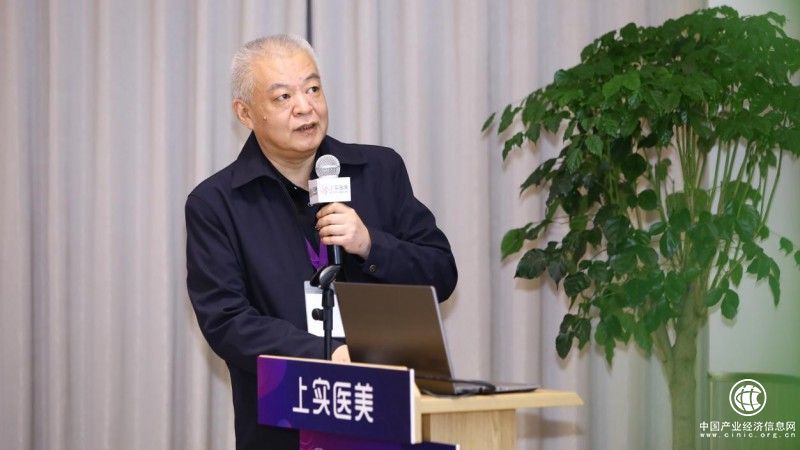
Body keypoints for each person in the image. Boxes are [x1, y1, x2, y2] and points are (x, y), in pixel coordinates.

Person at [185, 34, 458, 450]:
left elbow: (442, 274)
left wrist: (371, 245)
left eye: (313, 88)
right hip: (284, 424)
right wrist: (328, 354)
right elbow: (227, 322)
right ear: (245, 113)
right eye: (283, 97)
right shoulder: (217, 203)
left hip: (388, 412)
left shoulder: (378, 171)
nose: (305, 106)